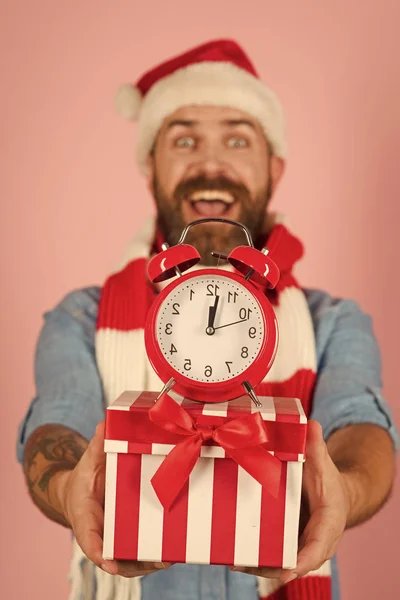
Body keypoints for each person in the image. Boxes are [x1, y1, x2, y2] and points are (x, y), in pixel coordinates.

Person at [17, 39, 398, 600]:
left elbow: (360, 429)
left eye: (238, 138)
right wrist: (77, 486)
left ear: (275, 167)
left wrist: (338, 488)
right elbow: (58, 425)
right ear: (151, 167)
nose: (211, 163)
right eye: (184, 139)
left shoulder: (333, 322)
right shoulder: (80, 317)